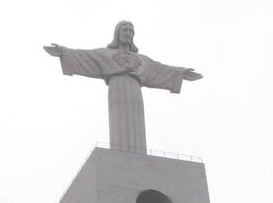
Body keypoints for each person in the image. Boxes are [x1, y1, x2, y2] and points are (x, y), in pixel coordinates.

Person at [44, 21, 202, 152]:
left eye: (131, 31)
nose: (128, 33)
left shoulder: (142, 60)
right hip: (117, 88)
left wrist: (181, 74)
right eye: (124, 30)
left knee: (136, 126)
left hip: (135, 91)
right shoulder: (105, 54)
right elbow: (85, 56)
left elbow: (160, 69)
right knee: (119, 125)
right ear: (117, 34)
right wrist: (63, 52)